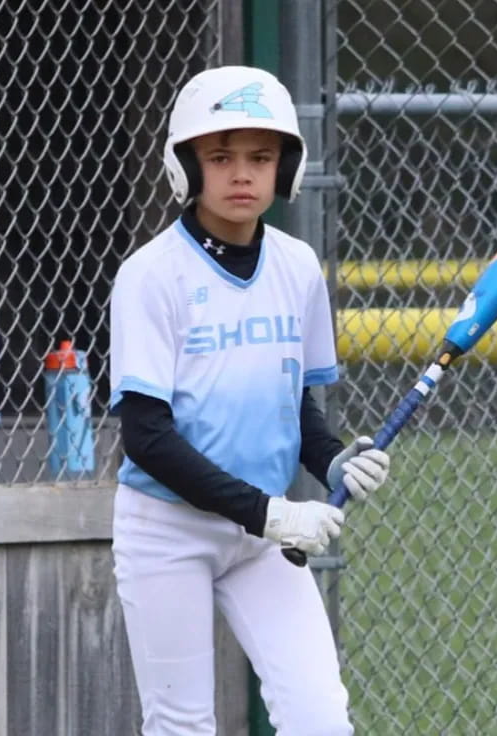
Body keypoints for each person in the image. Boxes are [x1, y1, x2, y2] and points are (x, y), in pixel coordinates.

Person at [109, 66, 391, 735]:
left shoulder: (296, 267)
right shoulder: (151, 274)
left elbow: (296, 410)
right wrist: (268, 513)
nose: (242, 174)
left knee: (320, 718)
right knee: (182, 724)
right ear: (187, 166)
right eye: (221, 156)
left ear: (285, 167)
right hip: (168, 527)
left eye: (260, 157)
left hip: (264, 536)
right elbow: (146, 438)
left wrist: (333, 464)